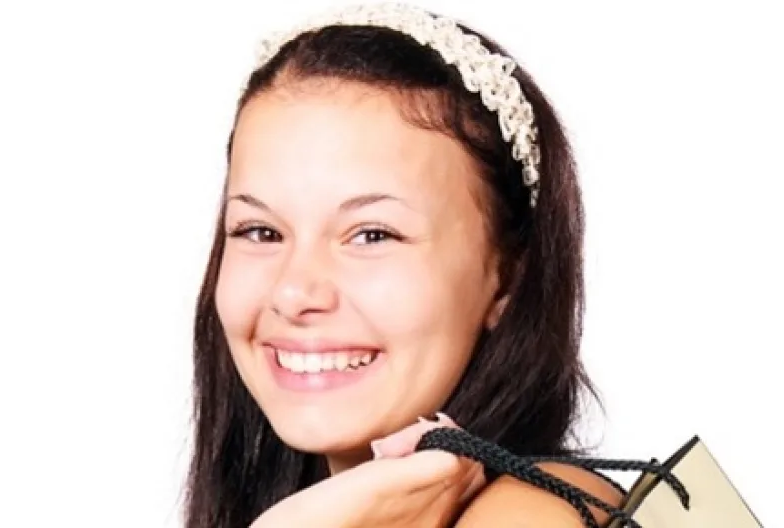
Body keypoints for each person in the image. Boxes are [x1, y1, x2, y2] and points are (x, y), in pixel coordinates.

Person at [184, 3, 622, 526]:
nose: (293, 293)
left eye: (372, 235)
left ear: (508, 277)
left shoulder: (535, 513)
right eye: (261, 231)